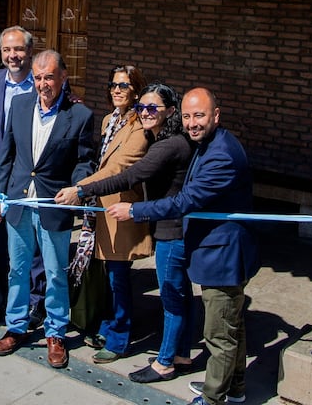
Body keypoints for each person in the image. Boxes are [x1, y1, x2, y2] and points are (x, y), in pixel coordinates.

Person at [107, 88, 259, 405]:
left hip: (223, 256)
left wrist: (134, 211)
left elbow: (185, 201)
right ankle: (236, 388)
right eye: (188, 116)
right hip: (216, 253)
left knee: (218, 335)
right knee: (233, 328)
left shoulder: (221, 155)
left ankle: (214, 398)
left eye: (199, 115)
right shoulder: (209, 144)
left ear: (216, 115)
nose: (192, 123)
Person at [57, 83, 195, 382]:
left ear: (170, 111)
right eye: (142, 108)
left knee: (172, 298)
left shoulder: (168, 145)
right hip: (170, 224)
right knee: (180, 294)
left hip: (174, 229)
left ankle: (165, 362)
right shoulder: (161, 138)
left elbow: (129, 175)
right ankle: (181, 353)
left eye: (153, 108)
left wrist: (81, 191)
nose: (145, 113)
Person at [0, 49, 96, 369]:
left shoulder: (80, 116)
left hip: (54, 205)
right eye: (37, 77)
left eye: (49, 76)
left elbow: (84, 160)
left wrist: (77, 188)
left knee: (54, 274)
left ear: (63, 77)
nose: (42, 83)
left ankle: (56, 332)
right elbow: (7, 156)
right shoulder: (20, 105)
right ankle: (16, 326)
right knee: (17, 270)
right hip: (20, 202)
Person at [69, 65, 150, 363]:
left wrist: (78, 188)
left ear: (136, 91)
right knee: (106, 277)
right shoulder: (108, 120)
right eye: (113, 85)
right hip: (99, 210)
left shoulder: (139, 127)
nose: (117, 90)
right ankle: (109, 324)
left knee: (119, 279)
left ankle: (119, 339)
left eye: (124, 86)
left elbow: (118, 168)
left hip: (120, 212)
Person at [0, 25, 45, 325]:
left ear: (30, 52)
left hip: (32, 178)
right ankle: (9, 300)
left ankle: (35, 302)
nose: (12, 55)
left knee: (33, 247)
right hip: (2, 177)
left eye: (18, 49)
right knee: (3, 245)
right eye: (7, 50)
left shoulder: (42, 84)